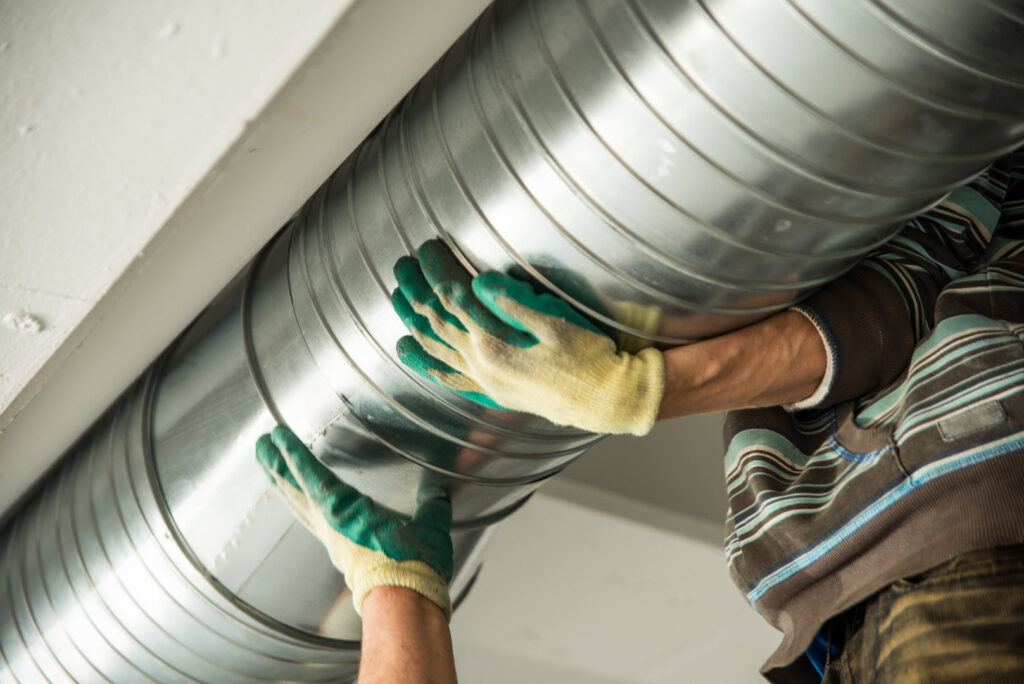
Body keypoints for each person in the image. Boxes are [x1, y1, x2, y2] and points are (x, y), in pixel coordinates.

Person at [260, 147, 1024, 683]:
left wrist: (398, 596)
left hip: (835, 618)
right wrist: (636, 390)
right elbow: (933, 263)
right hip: (967, 535)